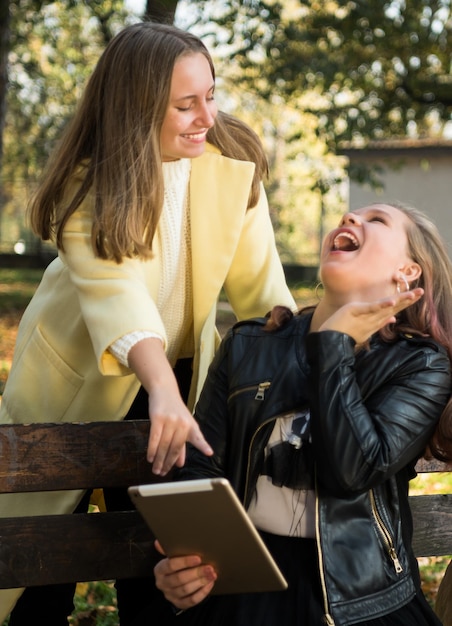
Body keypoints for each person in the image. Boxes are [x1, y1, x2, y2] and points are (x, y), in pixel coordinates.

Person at [0, 21, 295, 626]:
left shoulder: (233, 165)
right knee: (37, 561)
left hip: (181, 386)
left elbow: (264, 295)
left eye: (210, 95)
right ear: (135, 109)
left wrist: (306, 351)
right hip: (74, 380)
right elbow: (118, 297)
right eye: (185, 105)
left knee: (162, 564)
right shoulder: (93, 182)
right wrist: (159, 386)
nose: (206, 117)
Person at [152, 202, 452, 626]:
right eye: (351, 216)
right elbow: (199, 465)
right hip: (244, 589)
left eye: (377, 220)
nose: (350, 219)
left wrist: (333, 344)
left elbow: (349, 472)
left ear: (408, 272)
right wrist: (187, 562)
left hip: (363, 603)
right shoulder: (248, 345)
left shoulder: (420, 366)